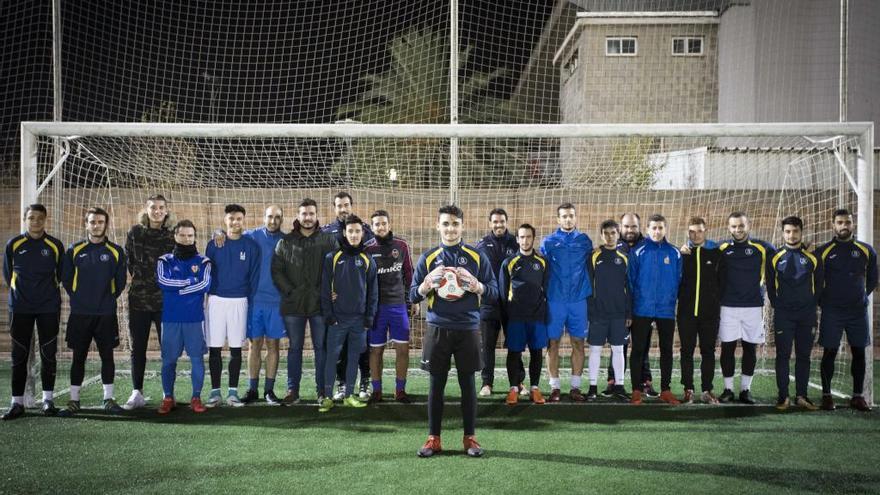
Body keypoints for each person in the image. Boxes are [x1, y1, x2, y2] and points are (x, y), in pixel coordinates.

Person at [412, 205, 498, 458]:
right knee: (436, 385)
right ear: (437, 226)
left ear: (463, 226)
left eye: (455, 224)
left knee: (468, 384)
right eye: (446, 224)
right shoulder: (428, 258)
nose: (450, 229)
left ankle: (470, 438)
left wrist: (478, 286)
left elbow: (495, 291)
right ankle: (433, 438)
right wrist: (426, 285)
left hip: (468, 328)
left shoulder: (477, 256)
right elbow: (412, 293)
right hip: (438, 327)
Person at [58, 207, 128, 417]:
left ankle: (108, 398)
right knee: (78, 357)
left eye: (100, 222)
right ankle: (74, 400)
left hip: (106, 313)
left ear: (106, 224)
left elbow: (121, 281)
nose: (96, 225)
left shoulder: (116, 251)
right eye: (92, 222)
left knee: (108, 356)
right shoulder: (74, 250)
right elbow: (67, 279)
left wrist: (105, 298)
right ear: (86, 224)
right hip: (80, 313)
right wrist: (81, 297)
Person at [272, 198, 338, 404]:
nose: (307, 218)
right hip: (294, 305)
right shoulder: (285, 242)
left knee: (321, 348)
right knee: (294, 348)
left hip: (320, 305)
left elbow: (338, 266)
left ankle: (322, 391)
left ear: (316, 216)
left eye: (311, 213)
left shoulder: (328, 240)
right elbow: (277, 270)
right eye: (304, 214)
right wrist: (290, 291)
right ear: (298, 216)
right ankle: (293, 391)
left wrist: (332, 291)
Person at [2, 204, 65, 420]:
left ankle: (48, 400)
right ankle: (16, 403)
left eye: (39, 218)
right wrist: (23, 294)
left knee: (48, 354)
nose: (35, 221)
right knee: (19, 355)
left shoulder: (55, 245)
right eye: (31, 218)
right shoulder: (14, 244)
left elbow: (61, 275)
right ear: (24, 220)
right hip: (20, 307)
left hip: (48, 307)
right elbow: (8, 274)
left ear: (45, 220)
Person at [816, 208, 877, 412]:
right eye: (840, 222)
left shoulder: (866, 250)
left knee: (859, 352)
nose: (844, 226)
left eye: (848, 222)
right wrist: (825, 301)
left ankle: (858, 396)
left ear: (853, 224)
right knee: (830, 352)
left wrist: (860, 297)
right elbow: (816, 281)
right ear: (833, 225)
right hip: (832, 311)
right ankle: (826, 395)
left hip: (857, 312)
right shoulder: (823, 250)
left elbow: (873, 279)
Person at [319, 216, 378, 412]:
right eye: (350, 231)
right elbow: (325, 289)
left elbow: (373, 293)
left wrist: (369, 317)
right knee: (332, 357)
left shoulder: (367, 260)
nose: (354, 235)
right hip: (337, 319)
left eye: (357, 231)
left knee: (354, 357)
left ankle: (350, 395)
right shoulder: (332, 258)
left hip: (359, 320)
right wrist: (329, 315)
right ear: (344, 233)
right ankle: (326, 396)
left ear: (362, 234)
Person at [204, 204, 260, 407]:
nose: (235, 222)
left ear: (243, 220)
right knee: (215, 348)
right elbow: (206, 274)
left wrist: (250, 303)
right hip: (217, 301)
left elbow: (254, 278)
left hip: (240, 302)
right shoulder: (214, 244)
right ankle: (215, 392)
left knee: (236, 348)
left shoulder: (251, 246)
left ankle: (233, 393)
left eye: (238, 219)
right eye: (231, 219)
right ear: (225, 220)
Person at [123, 194, 175, 410]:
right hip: (139, 300)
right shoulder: (135, 233)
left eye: (161, 207)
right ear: (147, 210)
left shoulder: (172, 235)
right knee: (138, 347)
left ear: (166, 210)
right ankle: (137, 392)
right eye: (153, 207)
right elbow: (129, 262)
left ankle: (167, 393)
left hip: (166, 302)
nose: (157, 211)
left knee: (168, 349)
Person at [717, 212, 774, 404]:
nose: (737, 230)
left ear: (748, 225)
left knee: (750, 348)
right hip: (728, 306)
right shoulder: (722, 248)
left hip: (753, 306)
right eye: (733, 226)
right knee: (727, 348)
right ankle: (728, 389)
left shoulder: (762, 247)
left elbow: (783, 254)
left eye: (741, 226)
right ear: (728, 228)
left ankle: (745, 390)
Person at [156, 220, 212, 415]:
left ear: (194, 237)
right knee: (169, 361)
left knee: (197, 359)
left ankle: (196, 397)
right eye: (182, 235)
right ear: (175, 236)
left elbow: (205, 285)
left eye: (190, 235)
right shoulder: (165, 260)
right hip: (171, 319)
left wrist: (178, 289)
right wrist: (188, 282)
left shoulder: (203, 261)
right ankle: (168, 397)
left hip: (194, 319)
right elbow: (163, 282)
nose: (186, 239)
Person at [768, 216, 822, 411]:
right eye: (788, 231)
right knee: (782, 355)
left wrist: (809, 305)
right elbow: (770, 286)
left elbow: (819, 285)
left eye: (795, 231)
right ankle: (783, 397)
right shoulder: (775, 257)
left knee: (804, 356)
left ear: (801, 232)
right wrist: (779, 305)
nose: (792, 235)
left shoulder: (813, 258)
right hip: (784, 315)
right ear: (783, 233)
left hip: (806, 316)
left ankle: (802, 396)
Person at [540, 202, 592, 402]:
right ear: (558, 219)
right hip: (555, 300)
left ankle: (575, 387)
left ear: (576, 217)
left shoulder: (584, 240)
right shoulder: (549, 242)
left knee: (578, 343)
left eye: (571, 215)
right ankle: (554, 387)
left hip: (578, 300)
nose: (568, 219)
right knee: (552, 343)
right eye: (564, 216)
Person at [627, 214, 681, 405]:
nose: (657, 231)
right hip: (642, 308)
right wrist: (632, 307)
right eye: (654, 228)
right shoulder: (638, 251)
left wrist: (673, 301)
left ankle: (665, 390)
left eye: (660, 228)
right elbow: (630, 281)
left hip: (666, 309)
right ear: (647, 230)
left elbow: (680, 280)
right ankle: (636, 390)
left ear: (665, 229)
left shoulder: (675, 253)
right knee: (638, 349)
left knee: (667, 349)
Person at [363, 210, 415, 403]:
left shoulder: (401, 246)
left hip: (398, 306)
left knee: (403, 349)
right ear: (372, 227)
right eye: (377, 224)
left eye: (384, 223)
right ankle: (377, 390)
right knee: (376, 350)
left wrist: (412, 300)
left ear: (389, 225)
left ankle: (400, 390)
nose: (381, 227)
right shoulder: (367, 249)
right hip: (377, 309)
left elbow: (409, 274)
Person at [498, 223, 549, 405]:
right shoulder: (509, 262)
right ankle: (513, 389)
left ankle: (535, 388)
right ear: (517, 239)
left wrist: (545, 314)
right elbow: (503, 294)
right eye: (521, 237)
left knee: (536, 352)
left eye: (528, 237)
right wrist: (507, 317)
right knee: (514, 353)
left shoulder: (542, 262)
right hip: (516, 317)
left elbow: (547, 290)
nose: (525, 240)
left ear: (533, 239)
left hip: (536, 316)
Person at [240, 206, 286, 405]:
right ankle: (252, 389)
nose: (273, 220)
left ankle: (269, 390)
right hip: (255, 301)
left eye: (277, 217)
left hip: (277, 302)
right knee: (254, 344)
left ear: (282, 219)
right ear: (263, 217)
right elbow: (232, 236)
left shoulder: (287, 240)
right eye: (270, 216)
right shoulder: (251, 236)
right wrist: (218, 233)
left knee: (273, 344)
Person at [605, 212, 654, 397]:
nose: (630, 230)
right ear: (620, 228)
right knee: (618, 345)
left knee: (642, 345)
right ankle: (613, 381)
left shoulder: (649, 246)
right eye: (626, 226)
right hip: (619, 306)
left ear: (640, 227)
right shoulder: (614, 246)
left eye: (633, 226)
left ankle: (645, 381)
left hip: (643, 305)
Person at [677, 217, 722, 404]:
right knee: (686, 351)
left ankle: (706, 389)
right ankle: (688, 389)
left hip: (709, 313)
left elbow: (723, 281)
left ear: (705, 231)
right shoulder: (682, 254)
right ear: (688, 233)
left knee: (708, 351)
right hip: (686, 312)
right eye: (692, 231)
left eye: (699, 231)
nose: (696, 235)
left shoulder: (716, 253)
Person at [475, 208, 519, 397]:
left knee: (515, 345)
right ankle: (487, 383)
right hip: (489, 302)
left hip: (512, 304)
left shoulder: (515, 242)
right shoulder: (482, 245)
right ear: (490, 223)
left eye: (502, 221)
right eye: (495, 222)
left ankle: (518, 382)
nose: (499, 225)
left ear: (506, 222)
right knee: (488, 345)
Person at [585, 220, 630, 402]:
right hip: (598, 313)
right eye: (606, 233)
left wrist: (629, 313)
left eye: (613, 232)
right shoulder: (594, 256)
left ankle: (619, 386)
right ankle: (592, 387)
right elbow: (588, 284)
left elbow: (629, 287)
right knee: (595, 350)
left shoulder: (625, 257)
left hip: (619, 313)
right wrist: (590, 310)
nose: (610, 236)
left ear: (618, 234)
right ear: (601, 235)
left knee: (618, 349)